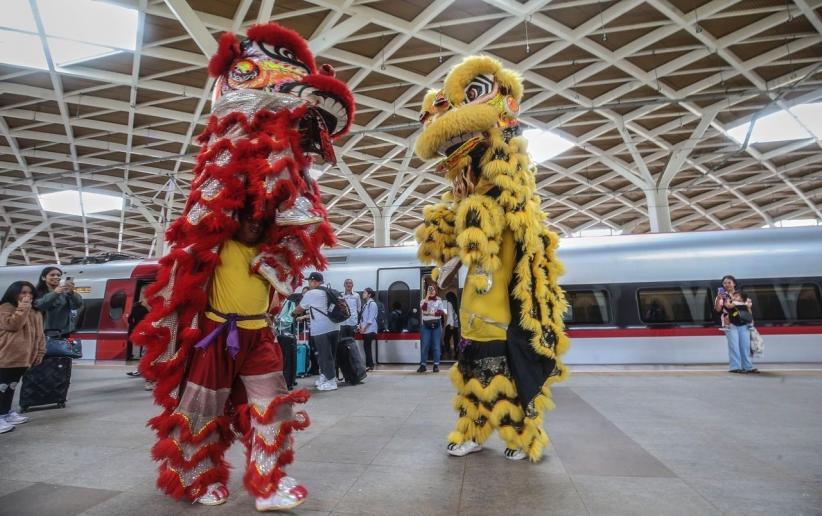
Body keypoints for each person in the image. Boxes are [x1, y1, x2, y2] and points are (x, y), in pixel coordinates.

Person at [0, 281, 45, 434]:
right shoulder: (5, 307)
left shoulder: (35, 311)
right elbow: (13, 325)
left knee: (11, 385)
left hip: (24, 356)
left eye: (30, 293)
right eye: (23, 292)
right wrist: (23, 308)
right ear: (13, 293)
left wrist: (40, 352)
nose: (27, 296)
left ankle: (5, 413)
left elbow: (40, 334)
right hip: (6, 355)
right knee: (2, 386)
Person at [292, 273, 340, 391]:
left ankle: (331, 381)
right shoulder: (331, 291)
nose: (309, 283)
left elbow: (299, 309)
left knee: (324, 355)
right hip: (335, 327)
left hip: (321, 329)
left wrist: (292, 313)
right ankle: (325, 376)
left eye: (309, 281)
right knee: (331, 355)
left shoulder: (311, 293)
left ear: (314, 281)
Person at [714, 275, 758, 374]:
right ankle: (735, 367)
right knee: (734, 346)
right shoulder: (721, 296)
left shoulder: (741, 294)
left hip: (743, 322)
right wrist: (718, 299)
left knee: (745, 345)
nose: (727, 284)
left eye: (729, 282)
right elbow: (718, 309)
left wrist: (750, 321)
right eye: (724, 283)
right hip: (730, 323)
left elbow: (748, 308)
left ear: (734, 283)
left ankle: (748, 367)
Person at [33, 267, 83, 340]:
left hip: (63, 333)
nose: (56, 277)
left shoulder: (64, 293)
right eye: (52, 275)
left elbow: (77, 305)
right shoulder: (36, 293)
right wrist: (54, 293)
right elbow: (40, 305)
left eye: (58, 275)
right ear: (43, 278)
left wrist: (71, 293)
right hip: (42, 333)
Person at [275, 292, 301, 390]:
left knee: (287, 359)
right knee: (288, 358)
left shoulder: (289, 303)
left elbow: (289, 318)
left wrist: (276, 320)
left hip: (286, 334)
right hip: (285, 334)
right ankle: (290, 380)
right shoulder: (283, 303)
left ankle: (288, 381)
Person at [418, 285, 446, 373]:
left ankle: (436, 365)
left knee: (436, 346)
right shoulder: (423, 301)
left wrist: (430, 313)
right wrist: (426, 297)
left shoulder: (439, 301)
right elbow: (423, 309)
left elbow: (441, 312)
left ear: (436, 291)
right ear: (427, 291)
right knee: (425, 345)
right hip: (426, 326)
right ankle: (423, 365)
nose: (432, 291)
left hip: (437, 326)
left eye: (433, 289)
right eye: (430, 290)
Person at [339, 279, 360, 378]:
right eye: (347, 283)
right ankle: (344, 364)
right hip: (342, 323)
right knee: (342, 345)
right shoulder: (340, 295)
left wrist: (357, 323)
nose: (348, 285)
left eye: (350, 283)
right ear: (344, 285)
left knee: (352, 344)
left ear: (353, 285)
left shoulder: (356, 296)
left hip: (352, 323)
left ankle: (354, 363)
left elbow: (358, 309)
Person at [359, 288, 378, 370]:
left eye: (364, 293)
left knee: (367, 347)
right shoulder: (366, 304)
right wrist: (360, 326)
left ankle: (370, 365)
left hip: (369, 330)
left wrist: (364, 328)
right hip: (365, 329)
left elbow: (370, 319)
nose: (363, 294)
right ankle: (369, 365)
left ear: (369, 295)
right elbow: (363, 318)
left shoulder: (372, 304)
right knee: (366, 347)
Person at [443, 293, 460, 360]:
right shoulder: (456, 302)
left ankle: (448, 352)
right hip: (457, 324)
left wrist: (451, 325)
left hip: (451, 324)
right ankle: (456, 354)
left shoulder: (449, 303)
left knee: (446, 339)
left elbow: (450, 315)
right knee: (456, 340)